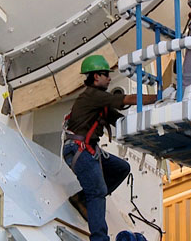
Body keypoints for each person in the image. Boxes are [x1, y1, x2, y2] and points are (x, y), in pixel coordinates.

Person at [63, 54, 157, 241]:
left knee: (122, 168)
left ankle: (81, 199)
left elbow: (120, 122)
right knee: (97, 191)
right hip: (79, 150)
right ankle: (99, 238)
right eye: (106, 74)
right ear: (96, 76)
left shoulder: (100, 103)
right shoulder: (92, 95)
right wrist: (159, 97)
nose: (109, 78)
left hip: (87, 150)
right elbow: (128, 99)